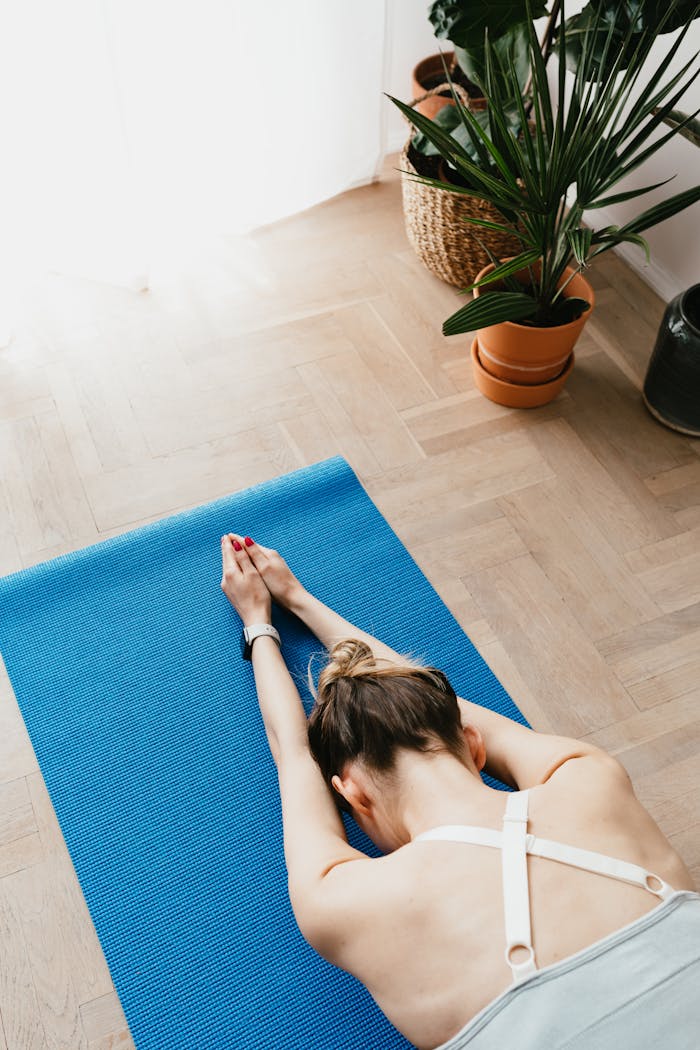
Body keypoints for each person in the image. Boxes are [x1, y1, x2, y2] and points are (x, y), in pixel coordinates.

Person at [220, 532, 700, 1050]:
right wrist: (300, 598)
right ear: (474, 748)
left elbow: (292, 755)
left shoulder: (345, 901)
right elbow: (455, 709)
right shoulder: (588, 778)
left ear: (353, 795)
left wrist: (258, 622)